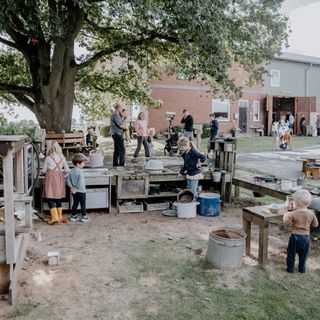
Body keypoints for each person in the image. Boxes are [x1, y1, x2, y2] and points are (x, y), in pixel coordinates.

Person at [283, 189, 318, 273]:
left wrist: (286, 214)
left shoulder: (293, 213)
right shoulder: (311, 213)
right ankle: (302, 269)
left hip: (295, 237)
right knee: (303, 256)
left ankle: (290, 269)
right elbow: (315, 225)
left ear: (295, 203)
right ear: (308, 203)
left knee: (291, 254)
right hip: (306, 238)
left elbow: (286, 222)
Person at [42, 141, 69, 225]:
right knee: (58, 197)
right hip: (59, 177)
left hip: (50, 178)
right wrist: (61, 173)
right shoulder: (62, 157)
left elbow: (43, 170)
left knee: (50, 196)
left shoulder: (48, 158)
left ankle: (54, 217)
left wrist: (46, 172)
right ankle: (59, 217)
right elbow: (67, 170)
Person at [67, 154, 90, 222]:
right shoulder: (81, 172)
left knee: (75, 203)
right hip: (81, 191)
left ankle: (73, 216)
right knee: (83, 204)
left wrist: (72, 188)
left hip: (74, 192)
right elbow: (81, 182)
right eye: (83, 163)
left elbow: (68, 180)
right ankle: (84, 216)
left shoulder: (71, 171)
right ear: (78, 164)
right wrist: (77, 188)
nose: (84, 164)